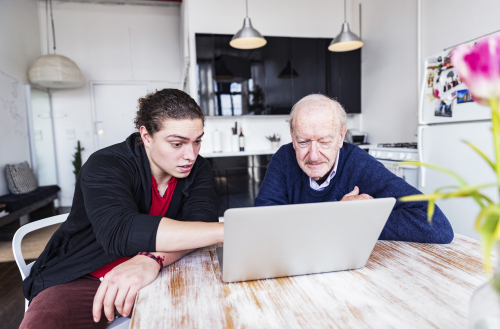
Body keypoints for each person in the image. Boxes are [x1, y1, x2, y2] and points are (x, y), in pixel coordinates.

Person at [20, 89, 224, 328]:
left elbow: (199, 226)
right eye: (177, 143)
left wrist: (152, 259)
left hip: (165, 270)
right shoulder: (106, 164)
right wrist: (226, 230)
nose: (190, 155)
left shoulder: (198, 169)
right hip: (84, 275)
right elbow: (120, 231)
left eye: (197, 141)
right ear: (146, 136)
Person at [255, 94, 453, 243]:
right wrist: (340, 215)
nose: (313, 155)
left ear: (341, 136)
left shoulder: (359, 164)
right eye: (303, 141)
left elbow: (437, 224)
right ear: (292, 137)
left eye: (324, 141)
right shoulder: (284, 157)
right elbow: (262, 221)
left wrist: (361, 218)